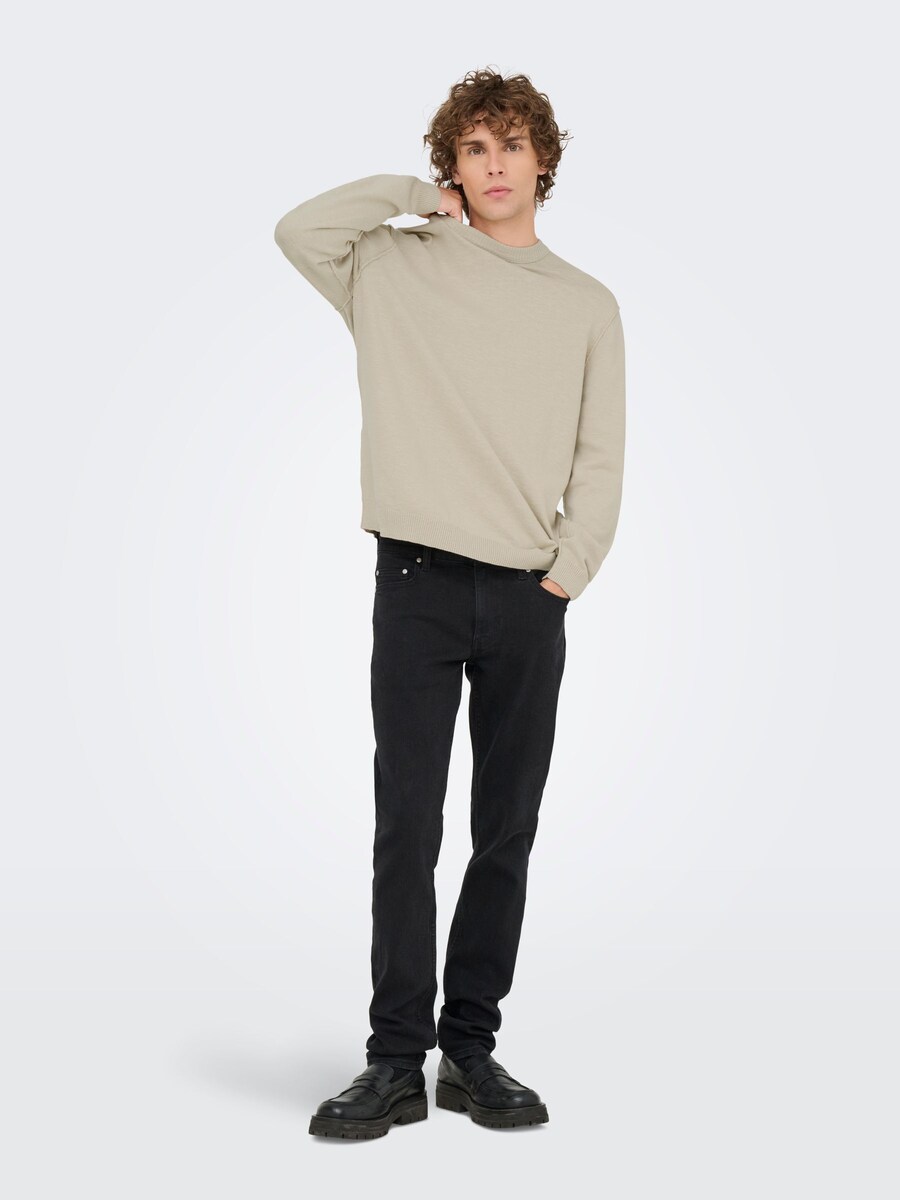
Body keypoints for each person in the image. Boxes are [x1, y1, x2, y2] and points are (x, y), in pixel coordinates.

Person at [274, 67, 626, 1139]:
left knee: (504, 828)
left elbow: (600, 456)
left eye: (512, 144)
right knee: (406, 828)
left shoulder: (586, 304)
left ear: (544, 161)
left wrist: (567, 573)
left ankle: (470, 1050)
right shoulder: (393, 265)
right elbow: (298, 231)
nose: (495, 164)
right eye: (474, 148)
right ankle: (395, 1061)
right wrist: (409, 195)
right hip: (418, 583)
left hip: (528, 593)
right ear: (452, 166)